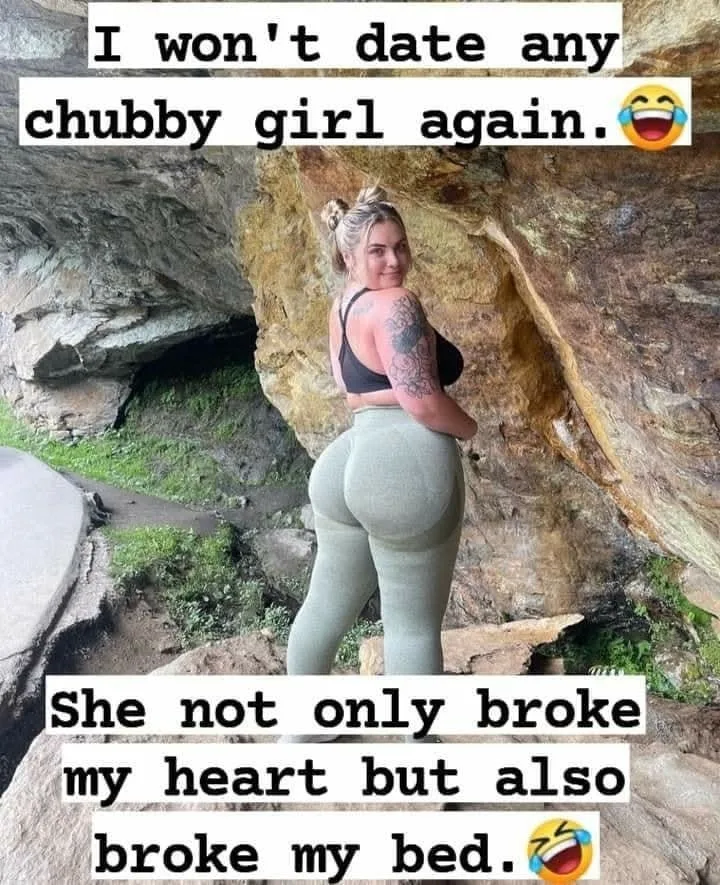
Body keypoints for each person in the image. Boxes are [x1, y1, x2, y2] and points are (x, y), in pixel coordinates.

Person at [280, 186, 477, 740]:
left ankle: (300, 732)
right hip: (403, 464)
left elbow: (355, 390)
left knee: (325, 605)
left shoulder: (345, 305)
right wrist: (469, 429)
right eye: (377, 250)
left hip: (347, 459)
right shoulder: (396, 305)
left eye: (400, 246)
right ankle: (419, 754)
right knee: (412, 625)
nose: (394, 260)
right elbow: (423, 400)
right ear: (349, 256)